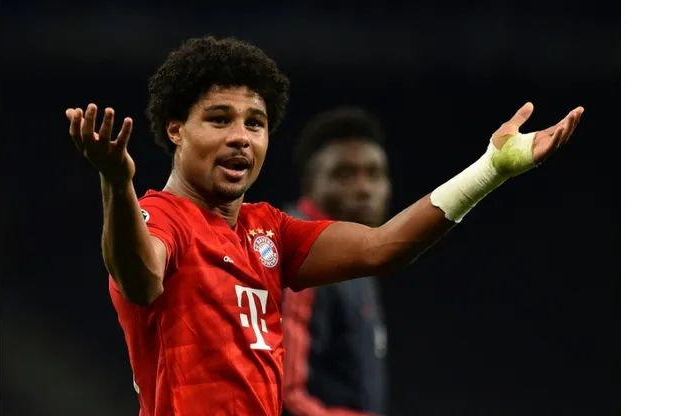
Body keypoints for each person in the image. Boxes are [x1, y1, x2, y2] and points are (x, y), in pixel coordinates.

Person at [65, 36, 583, 416]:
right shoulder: (163, 217)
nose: (241, 136)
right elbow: (141, 279)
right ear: (177, 129)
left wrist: (490, 168)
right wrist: (116, 183)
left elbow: (384, 247)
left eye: (255, 123)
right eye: (219, 119)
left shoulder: (269, 229)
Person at [282, 107, 391, 416]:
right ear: (311, 184)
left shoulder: (353, 248)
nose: (364, 189)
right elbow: (284, 393)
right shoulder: (302, 252)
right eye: (344, 174)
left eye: (375, 174)